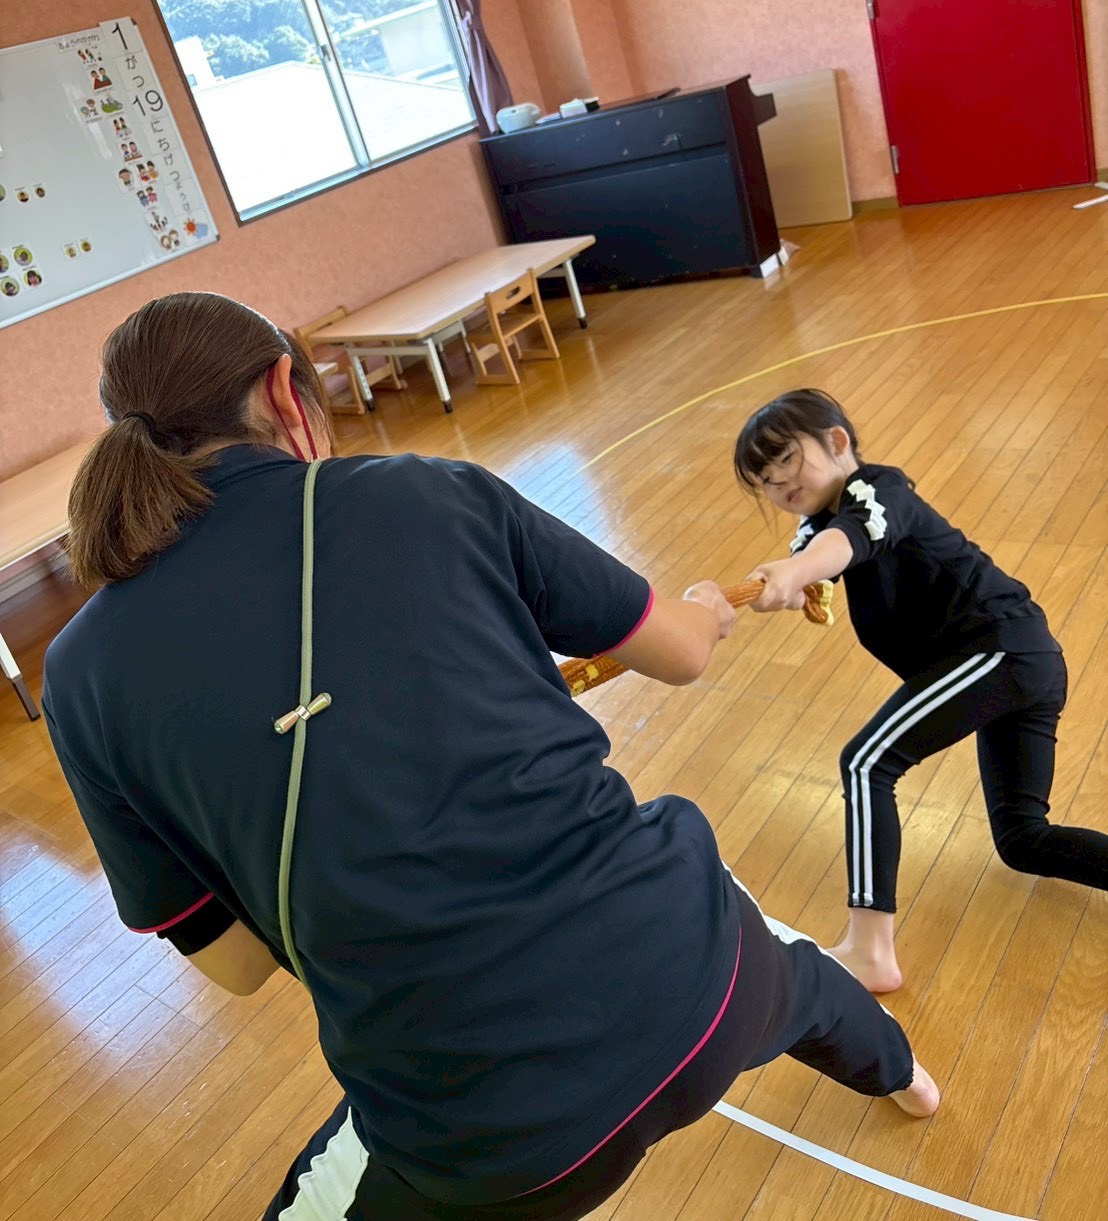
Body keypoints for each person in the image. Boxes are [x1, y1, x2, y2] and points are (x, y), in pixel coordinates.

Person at [45, 299, 937, 1221]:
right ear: (283, 389)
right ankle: (906, 1075)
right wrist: (706, 611)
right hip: (706, 991)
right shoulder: (425, 491)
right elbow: (679, 651)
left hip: (487, 1145)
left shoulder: (76, 678)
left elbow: (234, 966)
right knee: (774, 960)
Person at [736, 388, 1108, 994]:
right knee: (1023, 840)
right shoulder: (816, 527)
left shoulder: (879, 491)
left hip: (1000, 651)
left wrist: (798, 572)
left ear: (837, 442)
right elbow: (805, 565)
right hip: (1017, 662)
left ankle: (869, 949)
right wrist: (733, 602)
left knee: (866, 762)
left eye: (786, 460)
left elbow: (847, 543)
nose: (779, 482)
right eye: (766, 481)